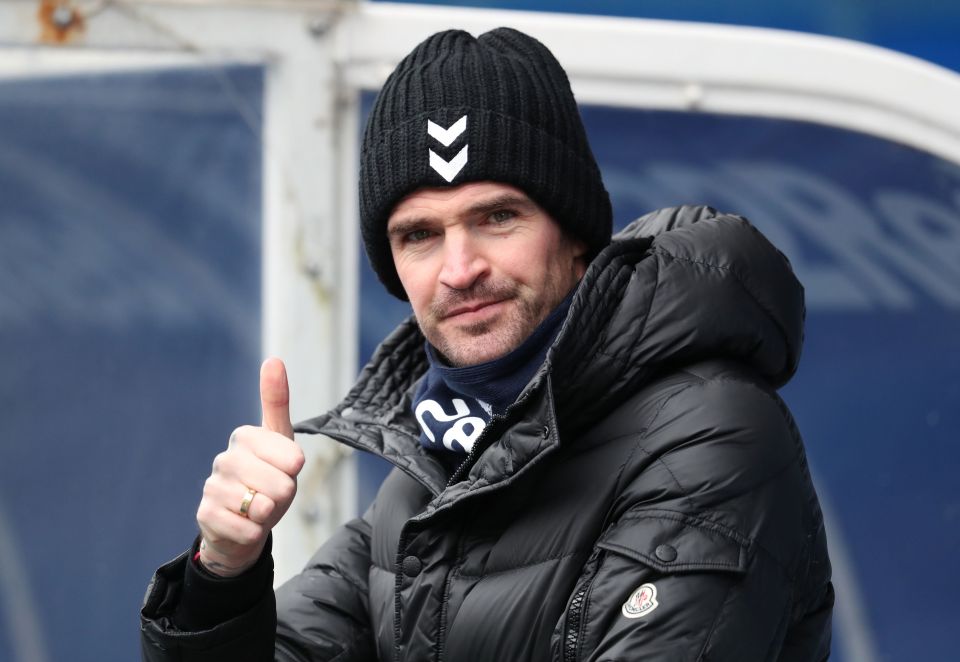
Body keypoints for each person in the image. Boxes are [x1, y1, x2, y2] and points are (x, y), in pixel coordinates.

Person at [141, 27, 833, 661]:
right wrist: (223, 574)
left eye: (498, 217)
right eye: (420, 234)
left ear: (574, 237)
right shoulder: (430, 475)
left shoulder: (711, 439)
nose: (459, 269)